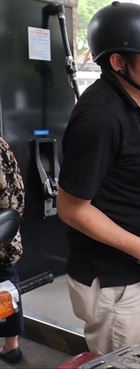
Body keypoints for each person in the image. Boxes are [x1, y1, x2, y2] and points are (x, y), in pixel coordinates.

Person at [56, 2, 140, 354]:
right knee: (127, 360)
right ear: (118, 62)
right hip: (113, 280)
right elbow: (71, 208)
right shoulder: (99, 118)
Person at [0, 138, 25, 364]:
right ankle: (11, 346)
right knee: (6, 291)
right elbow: (17, 191)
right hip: (6, 238)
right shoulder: (2, 145)